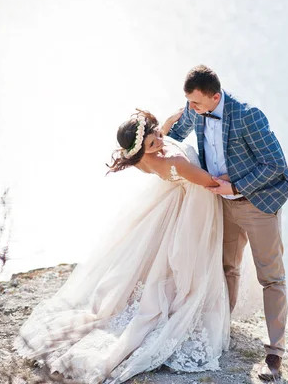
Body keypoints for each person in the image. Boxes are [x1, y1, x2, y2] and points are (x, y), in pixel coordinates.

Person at [15, 110, 231, 384]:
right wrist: (237, 180)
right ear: (142, 149)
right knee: (186, 266)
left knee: (159, 259)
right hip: (195, 207)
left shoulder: (145, 158)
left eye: (157, 137)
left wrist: (173, 120)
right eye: (152, 145)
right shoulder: (174, 161)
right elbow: (211, 183)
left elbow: (161, 133)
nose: (159, 143)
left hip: (177, 203)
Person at [164, 64, 288, 381]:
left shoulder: (249, 115)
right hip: (222, 205)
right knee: (226, 268)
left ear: (215, 96)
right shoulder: (196, 109)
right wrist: (156, 134)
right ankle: (221, 330)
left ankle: (275, 354)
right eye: (188, 103)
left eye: (195, 103)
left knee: (271, 278)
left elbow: (275, 166)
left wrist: (235, 186)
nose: (190, 110)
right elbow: (173, 137)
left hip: (258, 205)